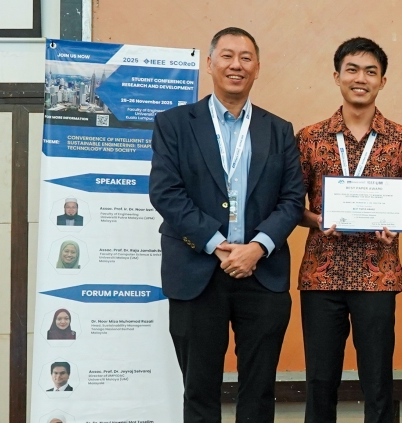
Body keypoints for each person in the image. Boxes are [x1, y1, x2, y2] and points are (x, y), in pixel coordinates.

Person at [148, 27, 304, 422]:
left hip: (262, 273)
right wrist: (217, 244)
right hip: (197, 270)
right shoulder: (174, 123)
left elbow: (291, 200)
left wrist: (257, 247)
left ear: (257, 68)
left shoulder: (278, 129)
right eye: (228, 56)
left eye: (246, 58)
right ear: (210, 63)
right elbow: (166, 193)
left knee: (259, 390)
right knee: (200, 390)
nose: (237, 65)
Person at [296, 37, 402, 423]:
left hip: (378, 274)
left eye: (371, 72)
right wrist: (317, 220)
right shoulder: (310, 137)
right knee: (320, 380)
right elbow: (291, 204)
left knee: (378, 381)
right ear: (336, 76)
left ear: (382, 81)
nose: (361, 78)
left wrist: (398, 220)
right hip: (322, 274)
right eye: (352, 69)